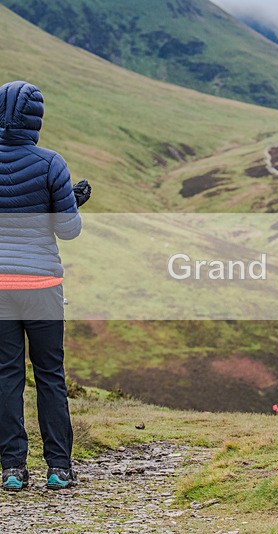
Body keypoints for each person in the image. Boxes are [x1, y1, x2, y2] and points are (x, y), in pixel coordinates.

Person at [0, 81, 85, 491]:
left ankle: (13, 468)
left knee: (7, 374)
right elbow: (68, 231)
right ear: (36, 119)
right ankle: (59, 467)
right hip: (42, 284)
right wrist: (70, 199)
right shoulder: (51, 163)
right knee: (50, 373)